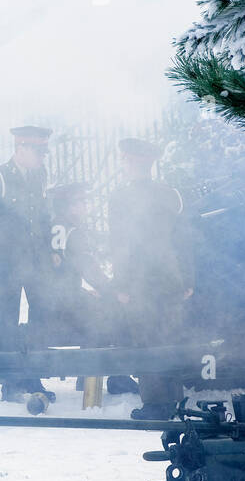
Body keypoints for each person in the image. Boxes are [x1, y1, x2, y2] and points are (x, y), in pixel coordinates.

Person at [108, 138, 196, 420]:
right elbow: (185, 240)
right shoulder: (170, 194)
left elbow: (120, 244)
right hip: (171, 276)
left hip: (139, 280)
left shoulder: (121, 198)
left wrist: (120, 284)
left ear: (132, 163)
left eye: (124, 159)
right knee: (170, 337)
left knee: (145, 339)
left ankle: (156, 405)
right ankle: (174, 399)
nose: (123, 164)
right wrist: (187, 279)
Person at [0, 126, 53, 402]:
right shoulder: (0, 177)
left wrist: (49, 252)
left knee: (39, 318)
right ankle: (9, 380)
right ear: (21, 149)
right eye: (38, 151)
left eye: (44, 151)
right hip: (8, 262)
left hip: (35, 262)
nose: (43, 157)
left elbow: (43, 218)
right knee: (7, 321)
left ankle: (33, 376)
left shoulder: (40, 175)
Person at [42, 181, 112, 347]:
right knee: (105, 320)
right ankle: (91, 370)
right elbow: (89, 268)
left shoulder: (52, 226)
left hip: (46, 299)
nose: (85, 205)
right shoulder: (74, 232)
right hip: (67, 302)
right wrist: (110, 290)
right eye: (82, 200)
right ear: (70, 206)